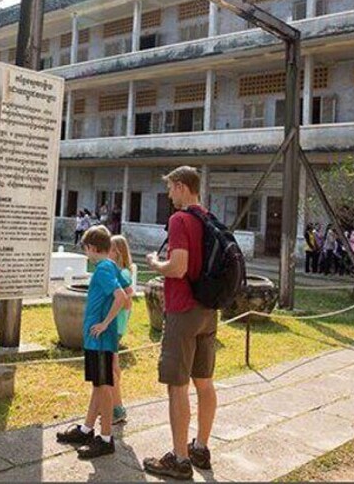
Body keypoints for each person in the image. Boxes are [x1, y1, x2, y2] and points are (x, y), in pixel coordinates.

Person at [144, 166, 215, 480]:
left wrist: (155, 264)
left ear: (183, 186)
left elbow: (177, 268)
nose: (169, 194)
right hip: (208, 310)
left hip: (183, 309)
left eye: (171, 188)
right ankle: (200, 447)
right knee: (205, 382)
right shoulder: (208, 218)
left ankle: (180, 458)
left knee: (177, 386)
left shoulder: (180, 220)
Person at [56, 225, 127, 459]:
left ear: (92, 248)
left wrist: (105, 323)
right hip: (98, 339)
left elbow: (122, 298)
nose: (86, 254)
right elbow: (127, 294)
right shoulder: (111, 266)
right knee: (99, 385)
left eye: (86, 249)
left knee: (104, 388)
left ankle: (105, 438)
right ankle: (87, 429)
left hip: (100, 340)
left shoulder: (104, 269)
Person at [108, 234, 135, 424]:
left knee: (110, 367)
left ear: (116, 252)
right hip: (115, 326)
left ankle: (117, 408)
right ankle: (112, 404)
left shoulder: (121, 274)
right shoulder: (122, 272)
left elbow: (126, 302)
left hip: (113, 326)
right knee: (113, 366)